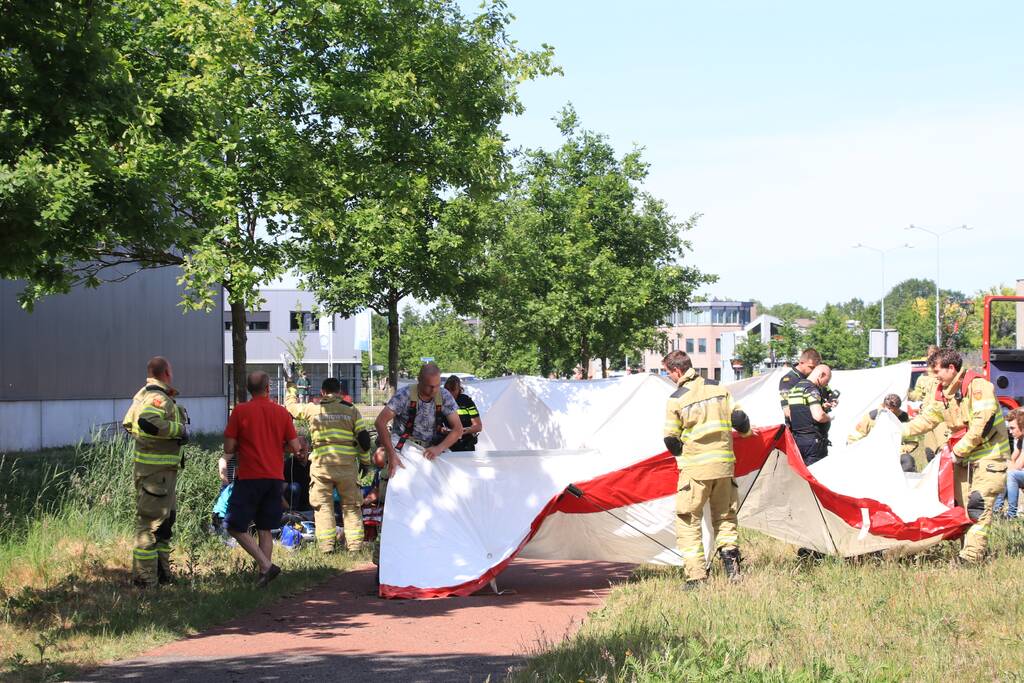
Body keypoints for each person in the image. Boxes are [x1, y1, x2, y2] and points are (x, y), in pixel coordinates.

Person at [902, 349, 1010, 562]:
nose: (934, 377)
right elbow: (926, 420)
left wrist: (958, 451)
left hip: (989, 455)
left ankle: (971, 557)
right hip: (963, 458)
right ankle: (966, 550)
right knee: (961, 508)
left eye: (937, 371)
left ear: (951, 368)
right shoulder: (943, 393)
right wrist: (898, 431)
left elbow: (982, 423)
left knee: (978, 505)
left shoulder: (978, 387)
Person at [662, 350, 751, 587]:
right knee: (725, 517)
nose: (669, 377)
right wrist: (747, 434)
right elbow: (740, 421)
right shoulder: (718, 388)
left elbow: (670, 440)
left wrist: (685, 454)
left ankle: (697, 577)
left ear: (677, 371)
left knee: (688, 520)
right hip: (724, 467)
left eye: (668, 373)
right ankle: (733, 572)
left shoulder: (676, 399)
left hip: (696, 471)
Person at [222, 371, 304, 586]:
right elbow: (296, 446)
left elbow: (229, 447)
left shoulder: (240, 411)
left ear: (249, 389)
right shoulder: (281, 412)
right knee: (265, 528)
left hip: (249, 476)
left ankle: (266, 566)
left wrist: (243, 443)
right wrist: (278, 446)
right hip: (275, 478)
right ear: (268, 388)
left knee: (233, 525)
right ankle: (263, 577)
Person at [122, 356, 189, 588]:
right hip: (155, 475)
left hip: (159, 474)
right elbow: (147, 422)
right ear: (167, 373)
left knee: (164, 526)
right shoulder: (156, 398)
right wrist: (179, 430)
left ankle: (162, 575)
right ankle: (145, 581)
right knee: (149, 527)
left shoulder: (142, 395)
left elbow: (130, 424)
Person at [285, 376, 372, 553]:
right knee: (351, 507)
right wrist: (365, 461)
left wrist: (292, 388)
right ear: (340, 392)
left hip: (321, 467)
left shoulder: (314, 408)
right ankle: (355, 548)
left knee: (323, 506)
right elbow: (363, 439)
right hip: (346, 467)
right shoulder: (351, 410)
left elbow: (291, 408)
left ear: (323, 392)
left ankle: (327, 547)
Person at [375, 363, 463, 476]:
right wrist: (391, 454)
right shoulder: (404, 395)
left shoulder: (444, 395)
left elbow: (458, 429)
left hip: (431, 450)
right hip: (404, 449)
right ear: (419, 380)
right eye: (430, 386)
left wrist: (439, 448)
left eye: (437, 385)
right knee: (397, 480)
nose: (434, 390)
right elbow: (380, 422)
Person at [847, 393, 918, 472]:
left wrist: (901, 449)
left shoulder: (903, 417)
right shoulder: (871, 417)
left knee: (908, 461)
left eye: (894, 410)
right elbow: (856, 436)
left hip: (894, 451)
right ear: (884, 405)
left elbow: (910, 438)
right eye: (889, 409)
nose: (891, 411)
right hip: (872, 451)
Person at [787, 364, 834, 466]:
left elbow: (793, 414)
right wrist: (829, 418)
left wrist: (823, 407)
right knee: (817, 473)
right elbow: (819, 416)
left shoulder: (794, 389)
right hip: (814, 442)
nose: (826, 385)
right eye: (826, 381)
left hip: (798, 440)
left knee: (803, 472)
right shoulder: (811, 389)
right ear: (821, 375)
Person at [778, 348, 822, 423]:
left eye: (815, 368)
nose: (813, 371)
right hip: (800, 427)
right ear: (801, 362)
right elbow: (787, 410)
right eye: (811, 367)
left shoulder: (811, 377)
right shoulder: (788, 380)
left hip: (815, 425)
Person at [994, 409, 1023, 518]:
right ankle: (997, 510)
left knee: (1011, 475)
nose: (1010, 432)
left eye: (1013, 428)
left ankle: (1011, 514)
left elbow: (1018, 466)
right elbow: (1012, 460)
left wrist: (1005, 469)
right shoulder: (1021, 440)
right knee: (1005, 471)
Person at [443, 375, 483, 452]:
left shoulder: (467, 401)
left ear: (459, 389)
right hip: (447, 444)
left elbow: (478, 426)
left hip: (466, 444)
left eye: (453, 390)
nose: (450, 393)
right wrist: (442, 430)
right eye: (447, 390)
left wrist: (465, 430)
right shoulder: (441, 401)